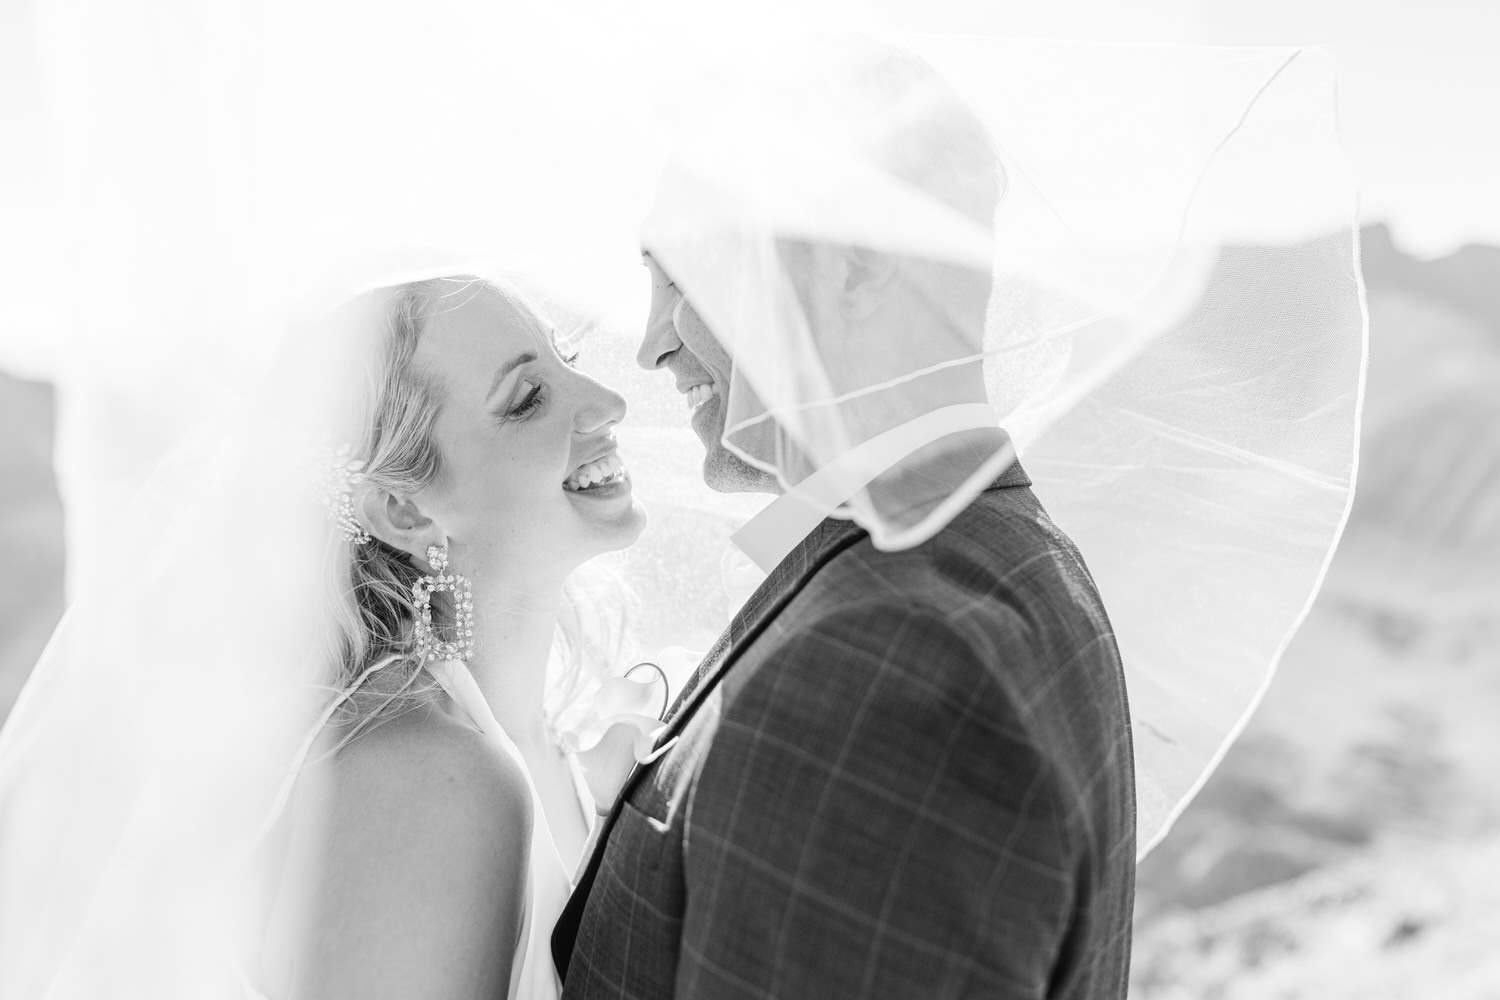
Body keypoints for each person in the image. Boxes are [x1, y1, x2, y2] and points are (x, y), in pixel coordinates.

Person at [552, 47, 1137, 1000]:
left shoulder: (884, 662)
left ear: (858, 262)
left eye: (687, 275)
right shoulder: (1004, 550)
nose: (653, 341)